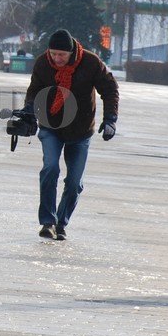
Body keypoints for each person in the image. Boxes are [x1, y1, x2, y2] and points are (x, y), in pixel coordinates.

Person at [22, 28, 119, 241]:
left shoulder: (91, 63)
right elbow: (34, 89)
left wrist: (110, 118)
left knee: (75, 182)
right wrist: (29, 109)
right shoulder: (43, 62)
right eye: (53, 53)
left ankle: (61, 222)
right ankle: (47, 222)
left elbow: (110, 88)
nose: (56, 59)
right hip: (50, 126)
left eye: (61, 55)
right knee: (50, 168)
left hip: (80, 130)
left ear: (72, 51)